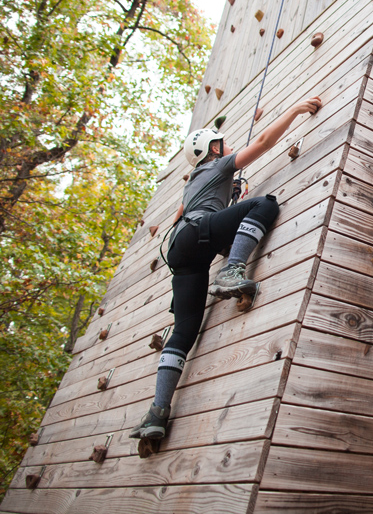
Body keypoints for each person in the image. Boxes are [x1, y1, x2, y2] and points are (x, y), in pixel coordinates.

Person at [129, 95, 322, 440]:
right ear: (214, 150)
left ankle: (157, 413)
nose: (228, 147)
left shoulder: (193, 181)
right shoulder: (218, 165)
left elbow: (180, 216)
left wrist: (228, 198)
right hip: (198, 234)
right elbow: (262, 143)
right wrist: (292, 108)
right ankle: (232, 271)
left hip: (182, 251)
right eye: (223, 144)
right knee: (264, 205)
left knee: (184, 332)